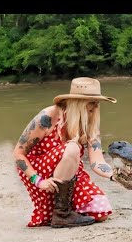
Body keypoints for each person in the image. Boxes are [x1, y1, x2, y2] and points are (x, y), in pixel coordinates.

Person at [13, 77, 118, 228]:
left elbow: (97, 161)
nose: (95, 107)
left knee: (101, 211)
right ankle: (61, 213)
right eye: (92, 102)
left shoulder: (90, 121)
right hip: (39, 172)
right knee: (73, 147)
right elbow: (18, 154)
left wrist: (116, 176)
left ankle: (65, 208)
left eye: (97, 102)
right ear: (77, 102)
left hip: (70, 175)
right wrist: (38, 181)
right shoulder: (47, 116)